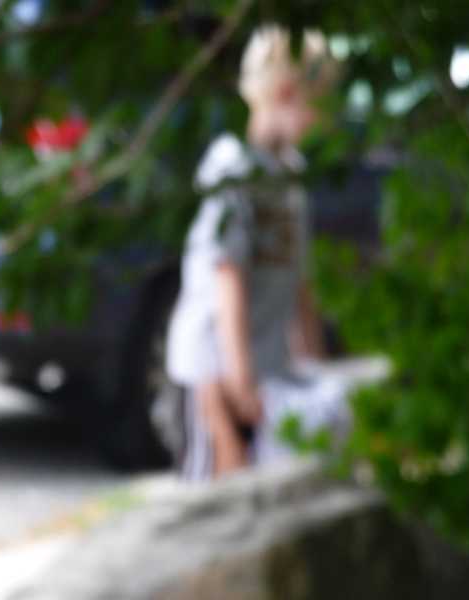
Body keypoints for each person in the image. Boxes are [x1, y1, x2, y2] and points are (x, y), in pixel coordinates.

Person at [165, 25, 345, 480]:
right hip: (212, 369)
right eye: (321, 103)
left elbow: (299, 281)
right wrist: (239, 379)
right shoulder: (233, 169)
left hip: (264, 369)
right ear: (286, 93)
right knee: (218, 488)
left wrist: (312, 365)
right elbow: (227, 274)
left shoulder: (291, 176)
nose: (326, 120)